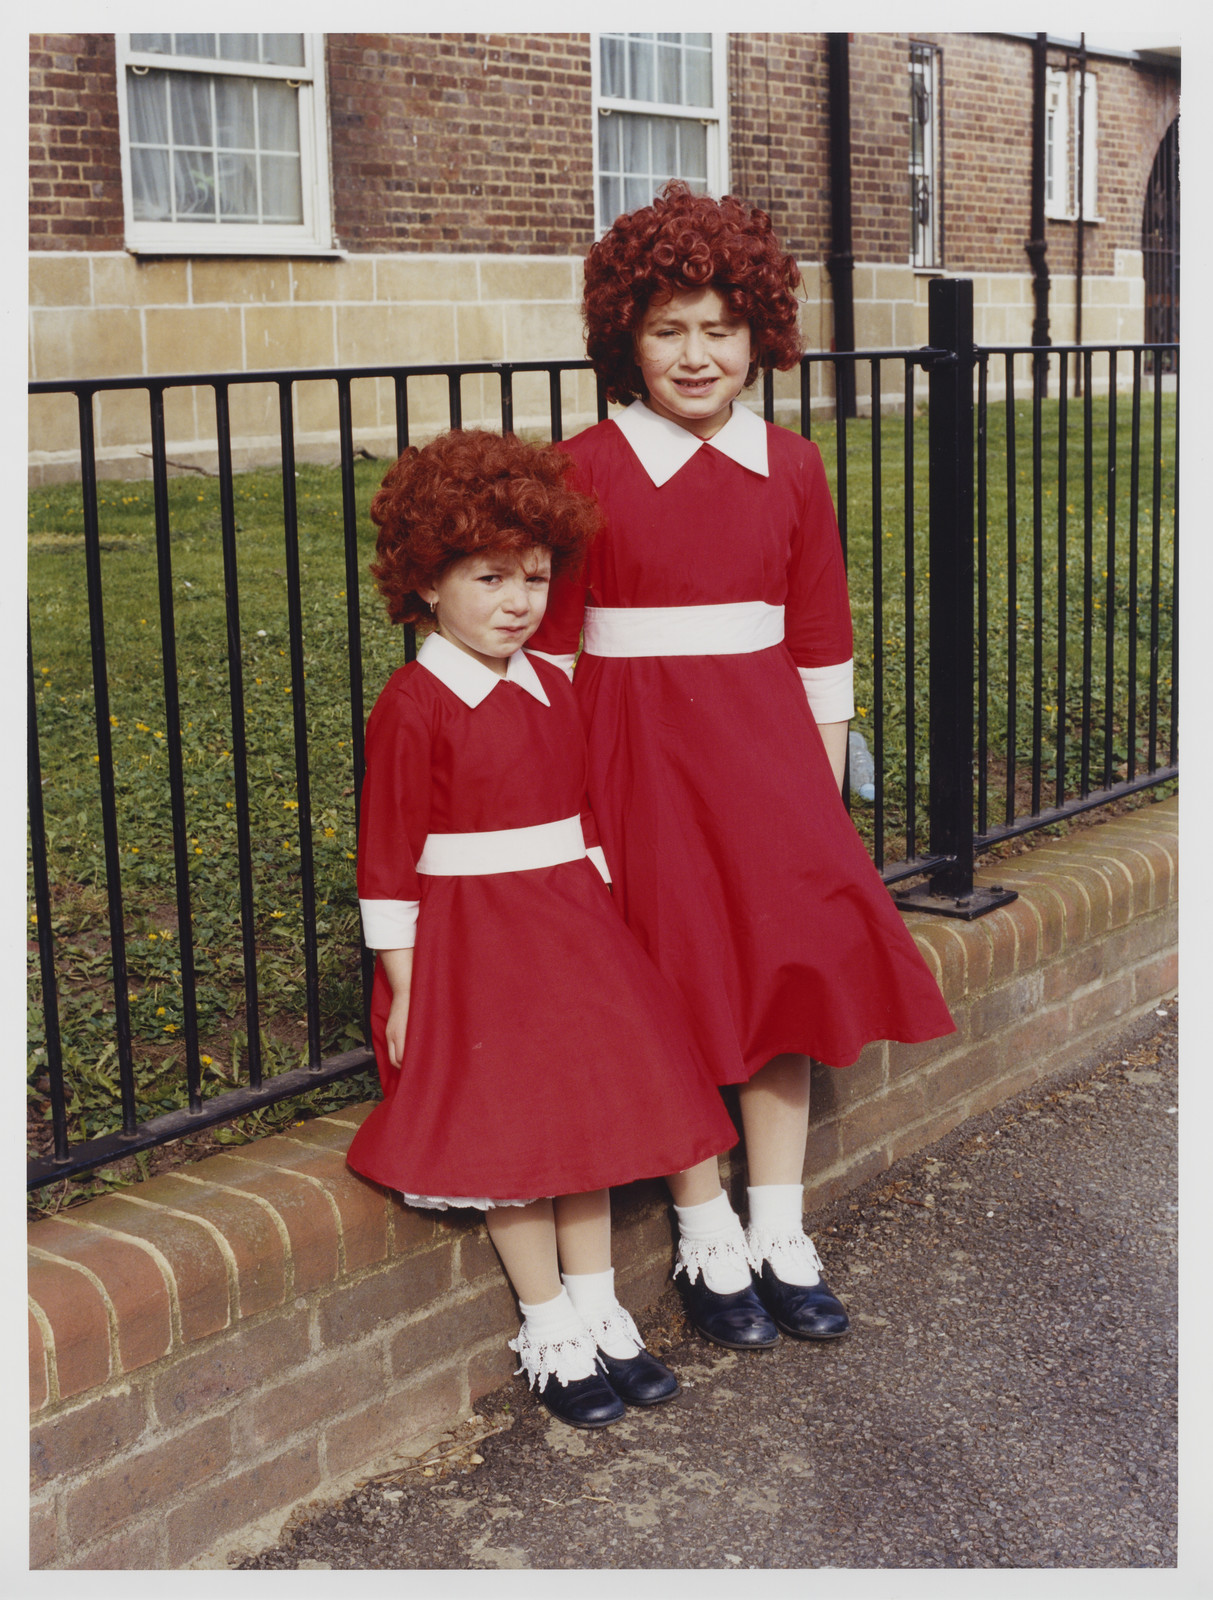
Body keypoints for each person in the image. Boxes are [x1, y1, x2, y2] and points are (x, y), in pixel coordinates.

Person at [528, 182, 956, 1351]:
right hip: (638, 762)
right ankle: (703, 1227)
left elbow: (820, 646)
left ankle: (778, 1223)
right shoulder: (585, 469)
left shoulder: (794, 468)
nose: (695, 353)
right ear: (624, 338)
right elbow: (554, 656)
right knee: (669, 986)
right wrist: (567, 809)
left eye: (719, 326)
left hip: (767, 757)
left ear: (759, 332)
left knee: (778, 980)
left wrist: (814, 800)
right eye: (666, 328)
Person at [345, 429, 739, 1429]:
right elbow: (388, 858)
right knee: (512, 1128)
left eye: (535, 575)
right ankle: (549, 1321)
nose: (518, 600)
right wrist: (406, 984)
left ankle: (602, 1304)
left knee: (591, 1114)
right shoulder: (416, 703)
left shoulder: (551, 684)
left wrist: (603, 925)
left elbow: (585, 820)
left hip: (567, 926)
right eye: (489, 576)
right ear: (426, 582)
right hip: (474, 947)